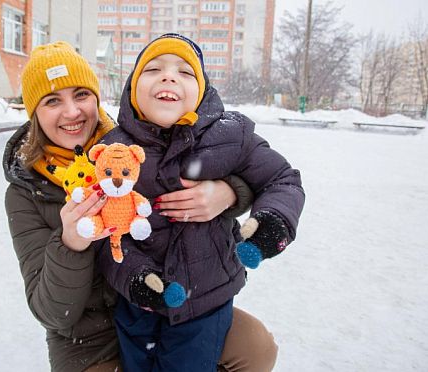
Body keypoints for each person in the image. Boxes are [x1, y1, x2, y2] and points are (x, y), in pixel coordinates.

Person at [3, 40, 279, 372]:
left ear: (96, 98)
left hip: (167, 305)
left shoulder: (135, 141)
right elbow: (51, 312)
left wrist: (230, 192)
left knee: (258, 347)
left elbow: (227, 163)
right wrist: (71, 244)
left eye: (81, 95)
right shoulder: (27, 191)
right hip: (90, 339)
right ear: (34, 113)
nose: (72, 112)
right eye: (52, 101)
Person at [94, 33, 305, 371]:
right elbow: (105, 232)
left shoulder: (229, 136)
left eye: (185, 72)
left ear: (202, 91)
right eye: (153, 69)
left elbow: (282, 179)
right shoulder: (114, 150)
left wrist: (273, 221)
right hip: (138, 301)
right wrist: (134, 276)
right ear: (132, 90)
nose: (169, 76)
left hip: (205, 298)